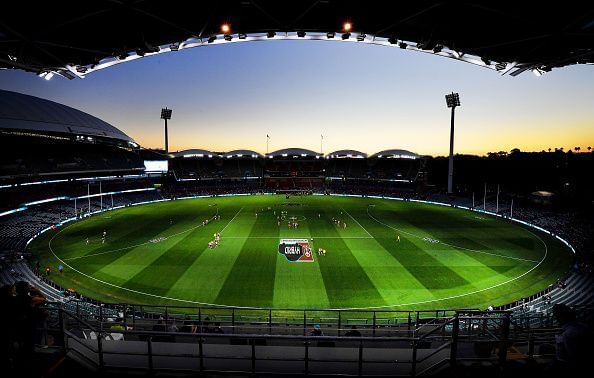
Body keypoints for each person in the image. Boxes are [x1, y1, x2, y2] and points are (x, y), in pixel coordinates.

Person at [551, 304, 590, 376]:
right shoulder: (585, 327)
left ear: (560, 317)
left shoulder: (569, 334)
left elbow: (574, 359)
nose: (556, 319)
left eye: (556, 316)